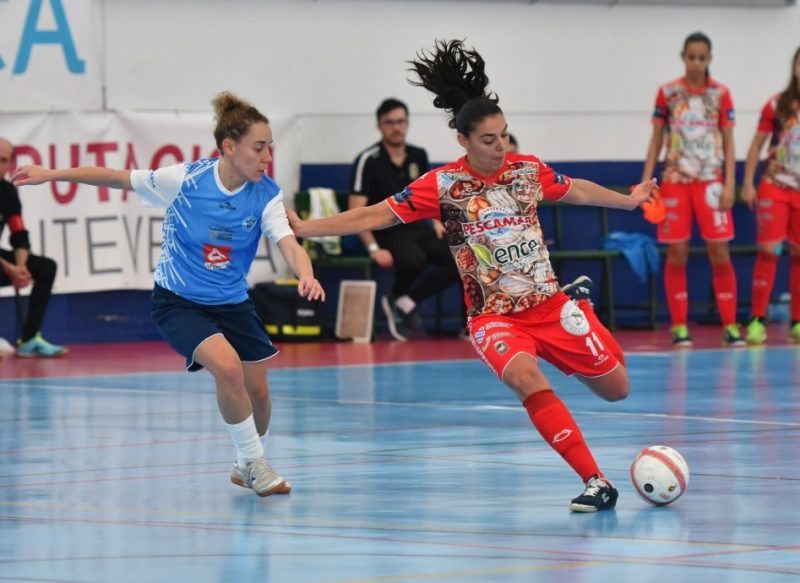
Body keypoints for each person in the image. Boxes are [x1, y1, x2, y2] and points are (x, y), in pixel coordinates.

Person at [288, 40, 657, 512]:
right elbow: (374, 216)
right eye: (488, 139)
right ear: (463, 141)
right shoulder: (442, 186)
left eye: (504, 135)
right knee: (527, 379)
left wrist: (629, 199)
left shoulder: (526, 171)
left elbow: (578, 191)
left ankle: (580, 306)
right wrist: (307, 228)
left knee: (617, 389)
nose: (500, 146)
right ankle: (595, 480)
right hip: (493, 317)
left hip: (549, 305)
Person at [12, 92, 325, 497]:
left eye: (270, 148)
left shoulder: (265, 194)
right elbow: (115, 177)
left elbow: (289, 244)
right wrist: (52, 174)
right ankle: (256, 464)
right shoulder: (186, 180)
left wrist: (306, 274)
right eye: (259, 147)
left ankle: (245, 461)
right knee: (227, 369)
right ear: (230, 147)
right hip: (178, 302)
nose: (267, 156)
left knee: (260, 395)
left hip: (233, 303)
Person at [642, 32, 744, 348]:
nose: (697, 63)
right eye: (691, 57)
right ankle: (679, 327)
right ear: (683, 57)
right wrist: (646, 183)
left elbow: (728, 141)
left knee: (719, 251)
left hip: (712, 182)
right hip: (675, 181)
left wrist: (729, 183)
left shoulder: (721, 94)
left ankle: (730, 326)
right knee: (677, 251)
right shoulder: (668, 93)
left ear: (709, 59)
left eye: (702, 58)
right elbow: (657, 140)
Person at [350, 97, 460, 341]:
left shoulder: (418, 155)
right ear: (380, 126)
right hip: (385, 229)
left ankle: (405, 301)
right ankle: (397, 297)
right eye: (389, 122)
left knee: (460, 257)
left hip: (417, 227)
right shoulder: (368, 159)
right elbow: (356, 209)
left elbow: (426, 194)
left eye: (400, 121)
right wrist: (373, 248)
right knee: (414, 260)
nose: (396, 127)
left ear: (407, 123)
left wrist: (435, 220)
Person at [741, 47, 800, 345]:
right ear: (795, 68)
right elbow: (756, 146)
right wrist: (748, 183)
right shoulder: (777, 105)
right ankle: (757, 319)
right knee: (769, 251)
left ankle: (797, 321)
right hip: (775, 186)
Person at [0, 137, 68, 358]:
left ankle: (28, 339)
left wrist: (20, 266)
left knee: (46, 267)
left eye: (4, 160)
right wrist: (9, 268)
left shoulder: (7, 192)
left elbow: (19, 234)